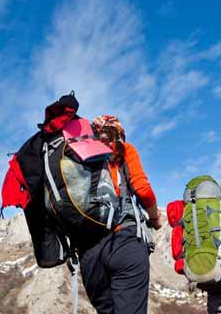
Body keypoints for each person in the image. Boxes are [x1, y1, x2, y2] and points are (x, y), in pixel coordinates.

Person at [76, 115, 162, 314]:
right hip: (124, 240)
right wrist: (155, 218)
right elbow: (143, 189)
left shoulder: (80, 157)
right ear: (119, 134)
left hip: (89, 254)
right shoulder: (124, 149)